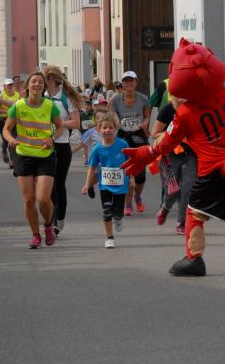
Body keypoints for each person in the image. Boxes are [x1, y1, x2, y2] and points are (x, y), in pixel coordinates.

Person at [122, 39, 225, 276]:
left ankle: (194, 258)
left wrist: (146, 153)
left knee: (195, 214)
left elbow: (166, 141)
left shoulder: (185, 113)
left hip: (211, 169)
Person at [2, 70, 64, 249]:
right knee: (29, 200)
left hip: (45, 155)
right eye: (33, 82)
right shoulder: (18, 106)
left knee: (43, 198)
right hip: (24, 155)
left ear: (44, 86)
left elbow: (60, 127)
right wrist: (11, 139)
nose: (37, 84)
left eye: (40, 82)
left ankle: (48, 226)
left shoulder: (50, 105)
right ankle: (36, 235)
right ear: (27, 85)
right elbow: (6, 129)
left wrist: (52, 139)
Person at [43, 65, 82, 235]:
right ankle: (51, 221)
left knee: (58, 184)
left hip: (62, 145)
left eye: (43, 79)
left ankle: (59, 219)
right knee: (47, 186)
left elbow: (76, 123)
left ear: (51, 79)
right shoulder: (42, 97)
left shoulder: (67, 98)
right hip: (44, 145)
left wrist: (58, 124)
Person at [81, 112, 130, 248]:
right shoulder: (97, 148)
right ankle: (109, 238)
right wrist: (87, 184)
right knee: (106, 211)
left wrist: (131, 178)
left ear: (115, 129)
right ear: (99, 129)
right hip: (105, 185)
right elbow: (92, 168)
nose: (107, 130)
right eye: (104, 127)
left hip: (121, 185)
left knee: (118, 213)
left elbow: (130, 162)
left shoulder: (122, 144)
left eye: (110, 127)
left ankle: (118, 218)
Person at [152, 96, 197, 235]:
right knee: (172, 191)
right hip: (168, 155)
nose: (183, 98)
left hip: (190, 155)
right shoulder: (167, 109)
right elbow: (154, 134)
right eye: (180, 95)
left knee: (188, 188)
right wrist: (174, 134)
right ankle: (165, 208)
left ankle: (181, 223)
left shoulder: (194, 108)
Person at [109, 71, 150, 215]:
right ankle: (127, 203)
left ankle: (137, 197)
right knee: (126, 171)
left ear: (136, 82)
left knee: (140, 174)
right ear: (122, 83)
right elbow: (113, 114)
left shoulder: (143, 98)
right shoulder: (116, 100)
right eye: (126, 81)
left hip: (139, 136)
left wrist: (145, 123)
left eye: (131, 80)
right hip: (123, 136)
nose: (129, 83)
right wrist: (117, 122)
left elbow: (147, 115)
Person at [0, 78, 21, 167]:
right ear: (4, 86)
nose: (10, 86)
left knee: (12, 139)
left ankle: (12, 160)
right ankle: (4, 151)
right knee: (5, 141)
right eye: (8, 85)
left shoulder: (17, 94)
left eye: (11, 85)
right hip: (4, 119)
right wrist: (7, 112)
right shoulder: (2, 95)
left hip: (14, 120)